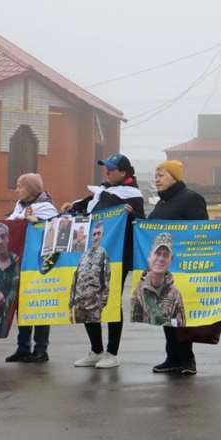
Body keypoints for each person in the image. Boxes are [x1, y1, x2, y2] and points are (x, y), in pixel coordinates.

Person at [62, 153, 145, 369]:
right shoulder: (102, 191)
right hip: (90, 254)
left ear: (124, 173)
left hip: (117, 257)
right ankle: (96, 350)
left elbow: (141, 224)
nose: (106, 172)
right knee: (86, 298)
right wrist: (73, 208)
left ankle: (112, 353)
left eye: (111, 169)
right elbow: (87, 209)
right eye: (105, 168)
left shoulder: (132, 195)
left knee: (111, 301)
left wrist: (132, 215)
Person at [142, 160, 208, 375]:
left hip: (184, 267)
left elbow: (201, 231)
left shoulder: (191, 199)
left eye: (161, 175)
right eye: (156, 175)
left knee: (181, 315)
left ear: (175, 177)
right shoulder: (162, 203)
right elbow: (149, 230)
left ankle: (187, 359)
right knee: (166, 313)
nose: (157, 179)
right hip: (164, 269)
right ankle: (172, 358)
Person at [6, 173, 58, 363]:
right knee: (23, 306)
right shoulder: (19, 207)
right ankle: (23, 348)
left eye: (20, 186)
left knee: (40, 306)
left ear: (31, 189)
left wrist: (37, 222)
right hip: (22, 263)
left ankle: (41, 349)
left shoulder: (47, 208)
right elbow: (10, 225)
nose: (17, 190)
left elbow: (54, 230)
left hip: (40, 265)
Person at [131, 233, 186, 327]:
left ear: (171, 260)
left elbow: (180, 328)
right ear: (149, 256)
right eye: (158, 253)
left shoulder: (175, 294)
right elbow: (134, 328)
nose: (161, 259)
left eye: (165, 255)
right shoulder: (139, 291)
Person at [70, 222, 111, 323]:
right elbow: (75, 280)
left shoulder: (103, 253)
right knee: (81, 332)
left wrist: (101, 304)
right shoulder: (84, 255)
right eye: (94, 234)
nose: (96, 237)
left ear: (102, 236)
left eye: (99, 234)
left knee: (94, 331)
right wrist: (71, 305)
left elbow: (106, 280)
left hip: (94, 307)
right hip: (79, 306)